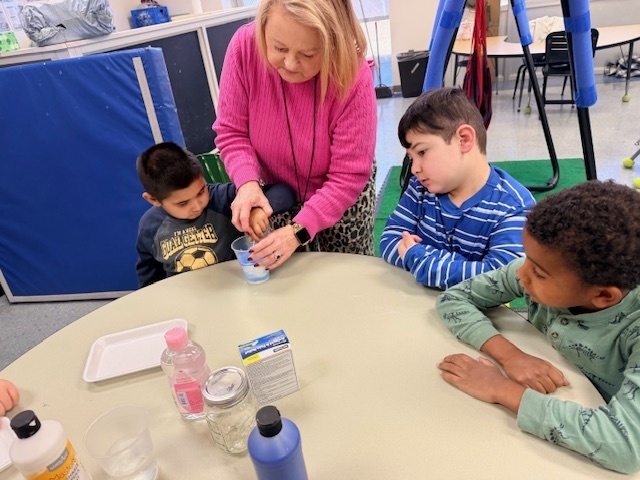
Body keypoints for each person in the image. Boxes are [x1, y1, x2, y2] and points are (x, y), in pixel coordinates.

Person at [436, 180, 640, 474]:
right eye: (527, 260)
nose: (521, 273)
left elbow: (625, 446)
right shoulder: (541, 266)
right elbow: (455, 298)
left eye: (539, 273)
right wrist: (511, 356)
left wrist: (500, 388)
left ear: (602, 296)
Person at [213, 0, 377, 270]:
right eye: (279, 48)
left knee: (347, 273)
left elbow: (347, 176)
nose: (289, 63)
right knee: (289, 277)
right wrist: (247, 184)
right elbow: (232, 132)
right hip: (279, 192)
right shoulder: (244, 47)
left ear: (332, 45)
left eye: (309, 54)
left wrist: (299, 231)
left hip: (342, 194)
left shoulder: (351, 74)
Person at [380, 87, 535, 290]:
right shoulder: (420, 188)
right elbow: (389, 238)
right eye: (411, 159)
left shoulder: (514, 207)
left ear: (464, 140)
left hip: (475, 315)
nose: (415, 169)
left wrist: (420, 258)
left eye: (422, 152)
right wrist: (465, 268)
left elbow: (500, 280)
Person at [135, 142, 295, 288]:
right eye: (183, 203)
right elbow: (149, 279)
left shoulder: (222, 198)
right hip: (186, 301)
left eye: (201, 192)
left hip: (237, 289)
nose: (197, 206)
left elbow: (285, 192)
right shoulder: (150, 226)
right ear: (153, 199)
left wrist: (257, 209)